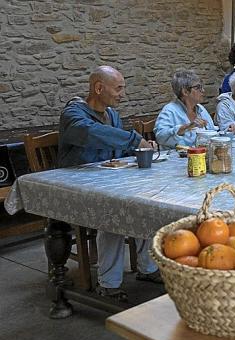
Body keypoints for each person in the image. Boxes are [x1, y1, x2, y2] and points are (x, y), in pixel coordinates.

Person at [58, 66, 161, 301]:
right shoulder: (73, 115)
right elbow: (94, 133)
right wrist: (136, 139)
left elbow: (118, 146)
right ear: (98, 88)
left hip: (108, 179)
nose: (122, 94)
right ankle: (109, 284)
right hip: (76, 184)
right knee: (113, 213)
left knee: (145, 202)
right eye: (118, 88)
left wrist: (140, 148)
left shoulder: (112, 114)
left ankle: (148, 268)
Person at [154, 69, 216, 149]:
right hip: (177, 158)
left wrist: (227, 130)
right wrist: (186, 127)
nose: (203, 91)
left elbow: (212, 131)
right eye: (198, 87)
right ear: (185, 92)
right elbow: (160, 136)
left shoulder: (201, 109)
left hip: (200, 154)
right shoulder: (170, 110)